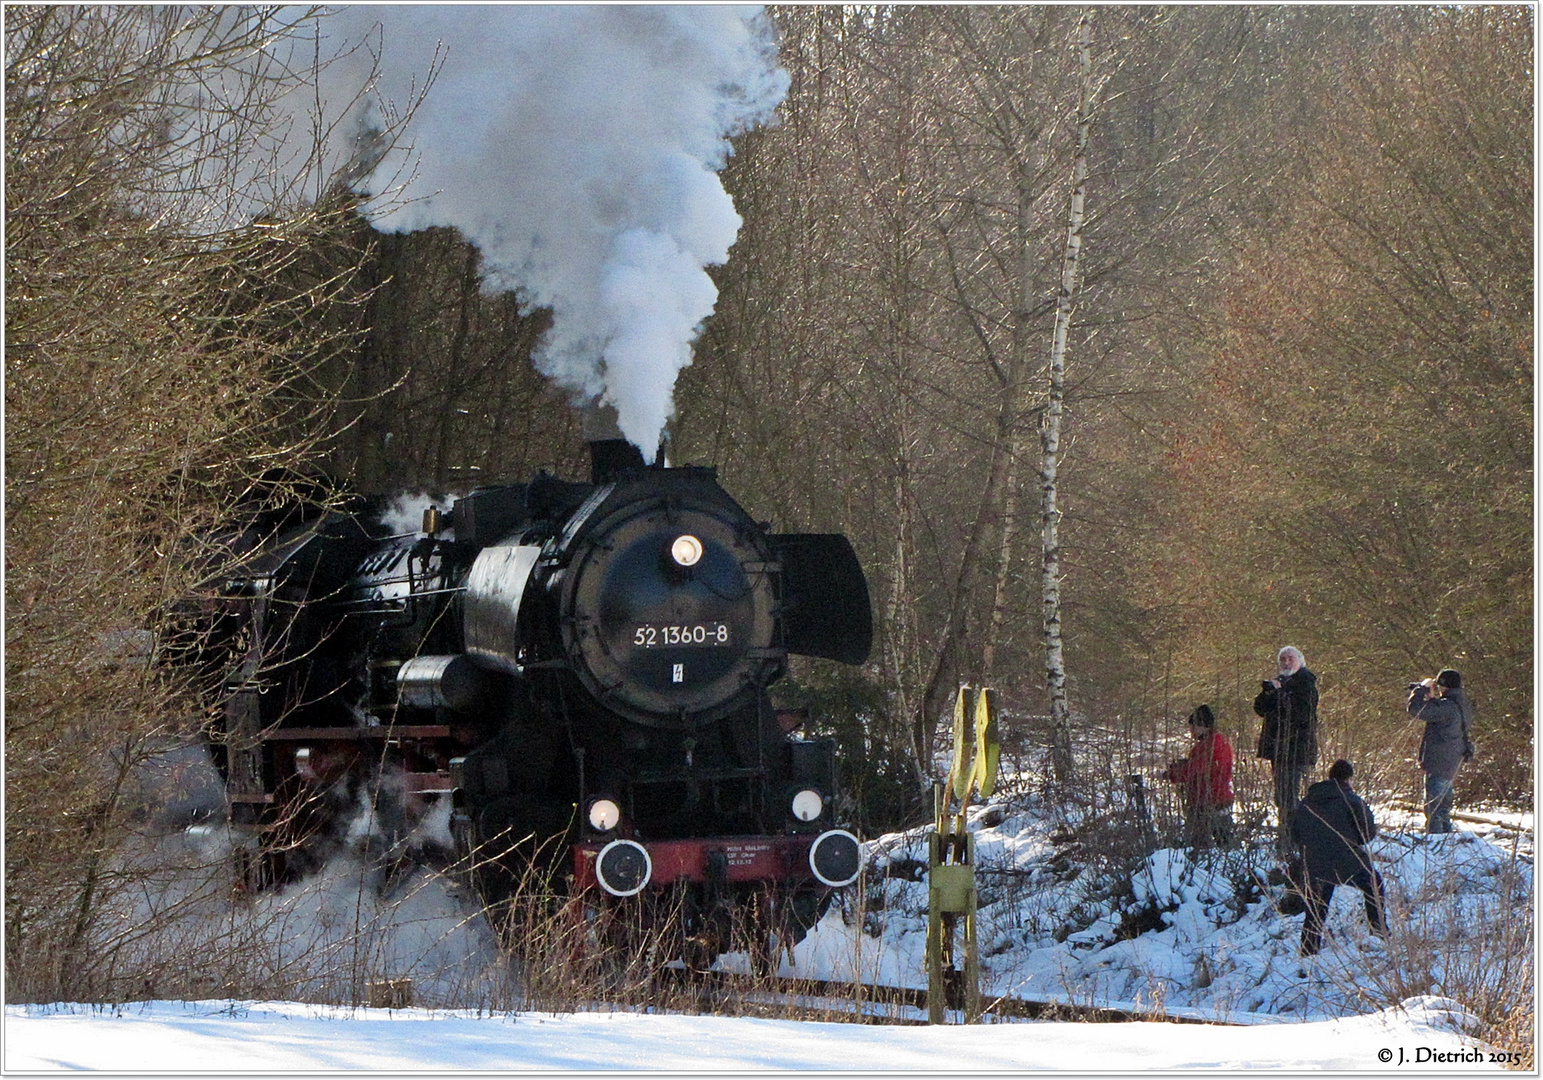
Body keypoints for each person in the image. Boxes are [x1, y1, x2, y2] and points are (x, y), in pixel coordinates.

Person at [1289, 759, 1387, 957]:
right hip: (1347, 861)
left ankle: (1308, 951)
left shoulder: (1306, 802)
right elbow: (1366, 834)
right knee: (1373, 885)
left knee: (1316, 906)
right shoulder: (1352, 801)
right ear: (1348, 779)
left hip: (1314, 863)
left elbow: (1294, 834)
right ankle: (1378, 936)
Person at [1253, 645, 1319, 846]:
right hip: (1279, 750)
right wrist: (1268, 693)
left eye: (1290, 659)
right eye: (1283, 659)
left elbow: (1300, 714)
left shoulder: (1306, 684)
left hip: (1295, 750)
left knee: (1288, 796)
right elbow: (1260, 709)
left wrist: (1281, 694)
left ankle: (1291, 840)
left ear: (1300, 661)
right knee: (1282, 795)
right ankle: (1287, 836)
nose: (1286, 663)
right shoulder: (1280, 683)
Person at [1406, 668, 1475, 834]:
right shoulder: (1461, 703)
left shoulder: (1447, 707)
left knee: (1434, 809)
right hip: (1451, 760)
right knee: (1443, 808)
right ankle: (1447, 841)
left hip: (1439, 761)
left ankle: (1436, 842)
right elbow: (1440, 714)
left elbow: (1415, 710)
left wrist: (1421, 689)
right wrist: (1432, 700)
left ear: (1443, 686)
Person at [1164, 704, 1235, 848]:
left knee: (1201, 844)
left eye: (1193, 727)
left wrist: (1172, 773)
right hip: (1221, 797)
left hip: (1208, 800)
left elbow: (1195, 770)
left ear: (1203, 726)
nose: (1191, 732)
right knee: (1225, 841)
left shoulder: (1207, 746)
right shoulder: (1221, 742)